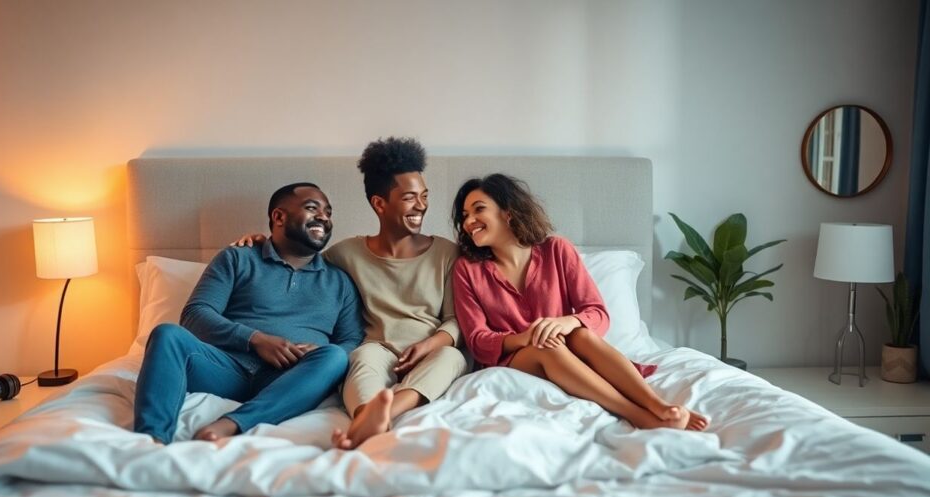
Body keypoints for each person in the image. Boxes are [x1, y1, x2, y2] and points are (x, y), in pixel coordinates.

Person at [236, 137, 469, 449]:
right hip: (377, 349)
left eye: (425, 196)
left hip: (431, 349)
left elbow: (455, 320)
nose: (422, 205)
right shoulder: (345, 254)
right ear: (379, 203)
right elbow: (300, 264)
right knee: (358, 359)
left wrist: (429, 344)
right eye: (410, 197)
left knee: (453, 357)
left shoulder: (446, 252)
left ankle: (380, 416)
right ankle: (367, 411)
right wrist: (264, 243)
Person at [451, 173, 708, 431]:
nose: (469, 221)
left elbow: (597, 313)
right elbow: (477, 338)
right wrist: (524, 338)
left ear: (508, 212)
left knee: (581, 336)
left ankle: (658, 405)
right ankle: (636, 415)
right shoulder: (467, 269)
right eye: (464, 215)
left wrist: (567, 322)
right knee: (547, 347)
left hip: (566, 348)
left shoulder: (557, 250)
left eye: (478, 210)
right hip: (513, 358)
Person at [133, 183, 365, 445]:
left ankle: (232, 424)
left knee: (334, 356)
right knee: (167, 334)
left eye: (328, 212)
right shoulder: (237, 258)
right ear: (279, 217)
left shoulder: (340, 281)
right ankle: (151, 439)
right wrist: (255, 339)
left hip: (292, 377)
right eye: (312, 208)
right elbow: (196, 314)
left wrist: (315, 351)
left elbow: (352, 340)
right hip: (226, 369)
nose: (324, 217)